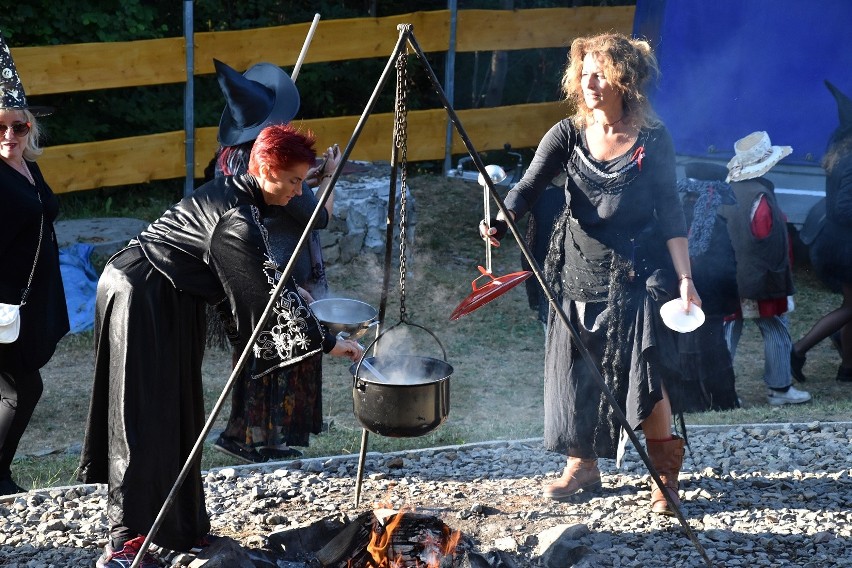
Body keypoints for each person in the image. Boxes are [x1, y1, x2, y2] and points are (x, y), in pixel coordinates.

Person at [78, 124, 362, 568]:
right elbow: (260, 295)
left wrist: (298, 298)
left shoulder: (243, 194)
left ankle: (180, 528)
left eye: (301, 181)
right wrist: (327, 341)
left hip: (167, 296)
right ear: (265, 169)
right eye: (290, 181)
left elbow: (254, 273)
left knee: (179, 412)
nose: (296, 192)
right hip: (140, 295)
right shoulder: (237, 217)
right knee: (142, 415)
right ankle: (124, 542)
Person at [481, 32, 699, 516]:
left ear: (625, 79)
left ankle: (664, 477)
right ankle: (582, 465)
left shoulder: (652, 140)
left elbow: (671, 211)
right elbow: (528, 187)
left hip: (639, 274)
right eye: (584, 74)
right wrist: (501, 218)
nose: (590, 83)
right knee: (576, 372)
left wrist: (685, 279)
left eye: (600, 74)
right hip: (576, 269)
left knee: (646, 375)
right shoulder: (566, 135)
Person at [207, 59, 341, 464]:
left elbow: (289, 196)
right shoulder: (269, 164)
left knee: (254, 352)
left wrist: (306, 183)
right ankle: (267, 440)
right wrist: (331, 177)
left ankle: (245, 436)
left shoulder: (229, 157)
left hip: (240, 272)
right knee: (283, 352)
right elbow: (318, 217)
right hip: (274, 267)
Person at [0, 33, 69, 497]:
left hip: (31, 298)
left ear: (31, 129)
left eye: (18, 127)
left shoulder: (30, 167)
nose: (9, 136)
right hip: (3, 302)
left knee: (17, 388)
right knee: (22, 388)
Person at [719, 131, 811, 406]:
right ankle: (780, 389)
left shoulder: (731, 191)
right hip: (760, 277)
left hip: (732, 274)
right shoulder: (759, 196)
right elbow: (763, 239)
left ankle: (720, 389)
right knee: (775, 327)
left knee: (728, 329)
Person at [791, 80, 852, 383]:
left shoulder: (841, 152)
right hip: (845, 247)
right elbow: (845, 209)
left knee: (850, 306)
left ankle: (847, 368)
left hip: (836, 244)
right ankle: (799, 349)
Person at [668, 163, 740, 412]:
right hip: (708, 296)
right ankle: (716, 401)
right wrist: (729, 301)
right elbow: (724, 267)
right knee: (710, 349)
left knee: (685, 346)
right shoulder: (713, 223)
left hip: (680, 291)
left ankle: (688, 402)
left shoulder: (675, 214)